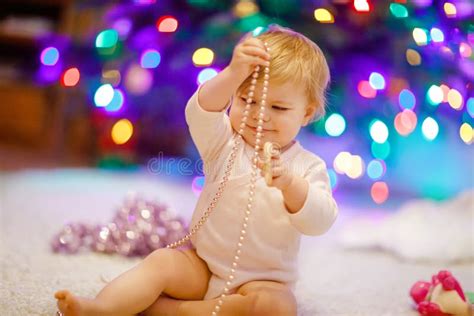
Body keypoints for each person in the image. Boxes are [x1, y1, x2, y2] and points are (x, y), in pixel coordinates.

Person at [55, 24, 338, 316]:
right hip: (203, 266)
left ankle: (179, 310)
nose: (259, 114)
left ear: (306, 113)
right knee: (162, 261)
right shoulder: (224, 142)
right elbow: (200, 111)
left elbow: (320, 220)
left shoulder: (307, 167)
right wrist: (232, 74)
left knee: (278, 307)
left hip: (261, 282)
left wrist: (290, 185)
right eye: (247, 99)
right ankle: (100, 309)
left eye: (278, 108)